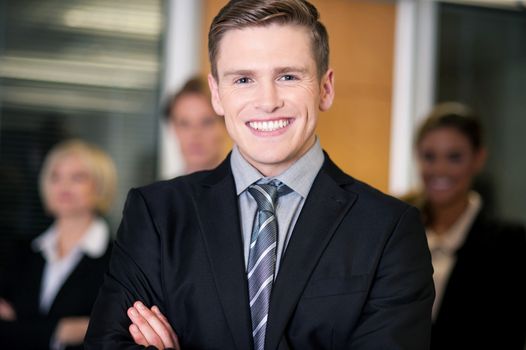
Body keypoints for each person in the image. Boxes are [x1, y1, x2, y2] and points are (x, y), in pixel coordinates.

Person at [85, 1, 434, 349]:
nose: (267, 101)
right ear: (217, 94)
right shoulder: (156, 214)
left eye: (288, 76)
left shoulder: (389, 229)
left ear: (325, 88)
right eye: (243, 79)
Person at [404, 102, 526, 349]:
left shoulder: (512, 245)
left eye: (454, 157)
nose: (439, 169)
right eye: (429, 156)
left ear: (478, 158)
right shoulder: (398, 230)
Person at [0, 139, 117, 350]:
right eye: (56, 177)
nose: (64, 186)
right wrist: (62, 330)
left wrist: (22, 326)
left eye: (77, 177)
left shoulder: (117, 259)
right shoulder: (20, 252)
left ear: (99, 185)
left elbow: (112, 332)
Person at [164, 76, 227, 174]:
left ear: (225, 126)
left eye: (206, 122)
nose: (195, 134)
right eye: (184, 124)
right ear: (173, 129)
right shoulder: (162, 189)